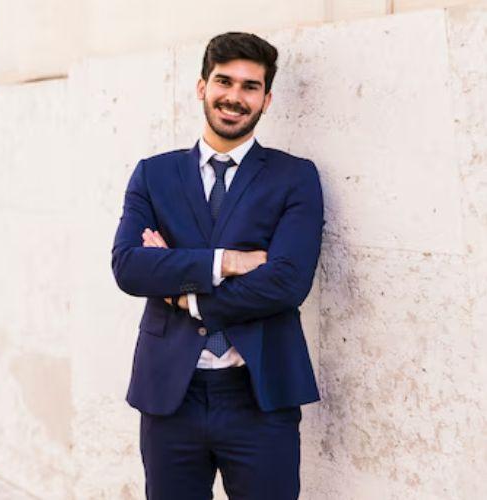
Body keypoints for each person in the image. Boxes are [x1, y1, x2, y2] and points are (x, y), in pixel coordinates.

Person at [111, 31, 325, 500]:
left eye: (250, 86)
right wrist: (226, 262)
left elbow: (287, 282)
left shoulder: (295, 176)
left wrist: (184, 294)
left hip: (260, 394)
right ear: (201, 87)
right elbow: (129, 266)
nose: (234, 97)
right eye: (224, 81)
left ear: (267, 100)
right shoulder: (154, 173)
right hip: (171, 395)